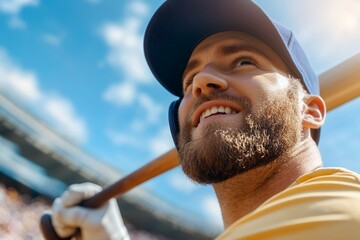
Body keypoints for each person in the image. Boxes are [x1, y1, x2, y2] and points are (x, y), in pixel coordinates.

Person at [50, 0, 360, 239]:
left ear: (311, 110)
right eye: (189, 81)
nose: (202, 80)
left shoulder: (347, 210)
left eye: (243, 61)